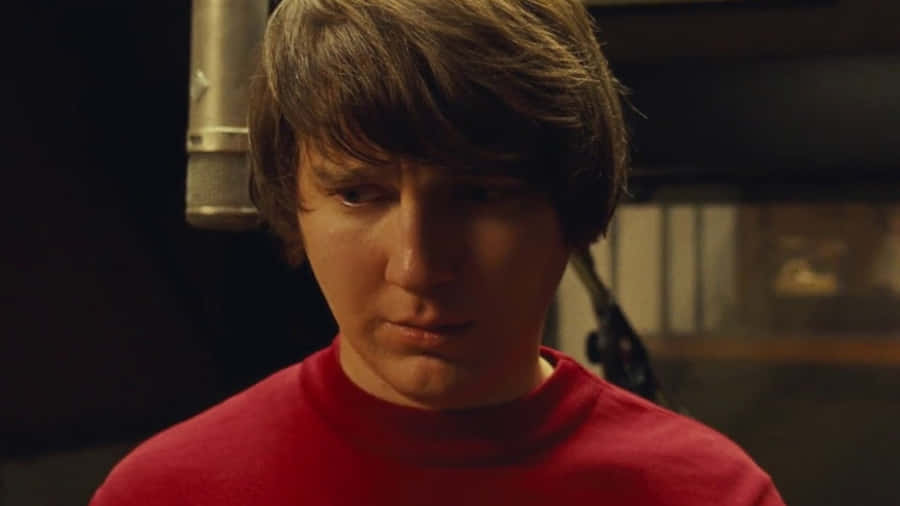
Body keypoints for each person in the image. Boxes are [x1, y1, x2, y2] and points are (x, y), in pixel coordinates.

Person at [91, 0, 785, 504]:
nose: (417, 265)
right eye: (361, 195)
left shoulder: (708, 493)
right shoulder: (168, 492)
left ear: (572, 210)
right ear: (293, 203)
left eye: (480, 195)